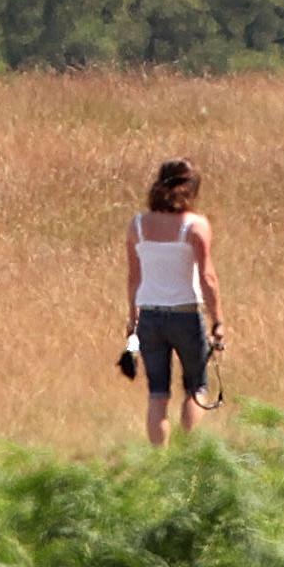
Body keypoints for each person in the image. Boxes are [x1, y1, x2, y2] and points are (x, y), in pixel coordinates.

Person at [124, 157, 225, 446]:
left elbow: (133, 277)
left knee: (157, 393)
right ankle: (186, 456)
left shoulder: (138, 225)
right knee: (196, 387)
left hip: (149, 317)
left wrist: (132, 320)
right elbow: (208, 276)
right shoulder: (195, 225)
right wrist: (218, 320)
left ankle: (159, 461)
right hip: (185, 314)